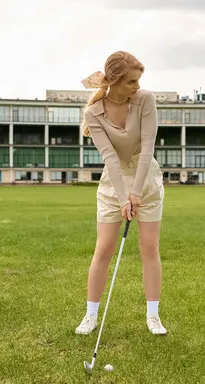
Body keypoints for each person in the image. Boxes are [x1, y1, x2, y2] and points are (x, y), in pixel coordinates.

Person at [75, 51, 167, 335]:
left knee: (149, 248)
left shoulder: (145, 100)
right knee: (103, 249)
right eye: (130, 82)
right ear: (113, 81)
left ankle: (153, 316)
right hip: (113, 185)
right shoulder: (93, 112)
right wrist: (124, 195)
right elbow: (110, 159)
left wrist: (136, 193)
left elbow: (148, 148)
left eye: (138, 80)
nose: (136, 86)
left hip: (147, 180)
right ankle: (90, 315)